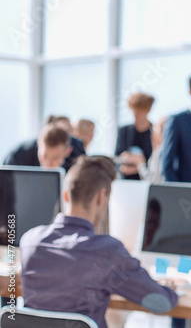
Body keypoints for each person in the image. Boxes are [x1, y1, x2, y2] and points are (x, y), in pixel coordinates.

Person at [20, 156, 178, 328]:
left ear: (65, 195)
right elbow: (160, 302)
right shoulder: (108, 251)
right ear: (101, 197)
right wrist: (169, 290)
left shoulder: (29, 241)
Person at [115, 92, 154, 180]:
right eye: (134, 111)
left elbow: (156, 161)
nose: (136, 115)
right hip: (126, 181)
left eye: (139, 111)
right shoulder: (124, 131)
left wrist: (139, 166)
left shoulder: (155, 132)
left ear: (148, 110)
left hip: (146, 181)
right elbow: (117, 157)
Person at [3, 123, 72, 168]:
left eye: (55, 158)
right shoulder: (17, 157)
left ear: (67, 152)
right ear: (38, 144)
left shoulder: (75, 164)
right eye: (44, 156)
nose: (48, 163)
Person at [120, 116, 167, 182]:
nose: (152, 135)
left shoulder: (160, 153)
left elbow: (151, 181)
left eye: (155, 131)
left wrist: (140, 164)